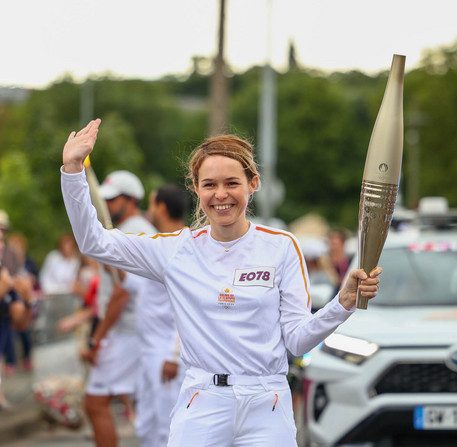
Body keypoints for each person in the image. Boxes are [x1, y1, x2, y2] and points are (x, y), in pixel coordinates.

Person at [61, 119, 381, 447]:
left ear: (252, 183)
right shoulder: (176, 249)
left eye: (232, 183)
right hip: (202, 401)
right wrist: (73, 170)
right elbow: (93, 242)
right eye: (209, 185)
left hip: (266, 402)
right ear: (196, 189)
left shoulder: (281, 246)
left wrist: (342, 304)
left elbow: (298, 341)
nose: (221, 195)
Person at [80, 169, 156, 447]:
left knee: (95, 403)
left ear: (131, 199)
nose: (107, 204)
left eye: (113, 199)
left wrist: (96, 338)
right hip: (135, 329)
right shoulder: (133, 230)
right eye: (106, 199)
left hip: (129, 330)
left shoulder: (133, 233)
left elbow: (123, 292)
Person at [132, 183, 190, 447]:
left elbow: (189, 307)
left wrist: (173, 356)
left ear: (162, 207)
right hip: (148, 351)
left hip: (167, 355)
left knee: (167, 430)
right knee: (147, 423)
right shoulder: (156, 245)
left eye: (151, 204)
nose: (148, 210)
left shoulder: (184, 249)